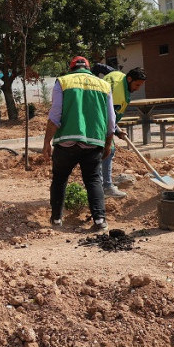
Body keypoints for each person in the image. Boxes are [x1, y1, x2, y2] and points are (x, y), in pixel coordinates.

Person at [42, 56, 116, 231]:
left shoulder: (63, 82)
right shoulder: (104, 85)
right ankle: (99, 221)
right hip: (93, 142)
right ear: (88, 69)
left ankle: (56, 220)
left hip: (66, 142)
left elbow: (55, 115)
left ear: (71, 68)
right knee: (93, 180)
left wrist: (47, 142)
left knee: (59, 179)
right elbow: (111, 121)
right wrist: (107, 145)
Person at [97, 67, 147, 198]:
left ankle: (97, 184)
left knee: (99, 152)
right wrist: (116, 131)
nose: (138, 88)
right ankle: (106, 187)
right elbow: (108, 118)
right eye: (137, 85)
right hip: (98, 120)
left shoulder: (117, 75)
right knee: (108, 150)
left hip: (96, 111)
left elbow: (99, 67)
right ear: (129, 79)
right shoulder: (119, 97)